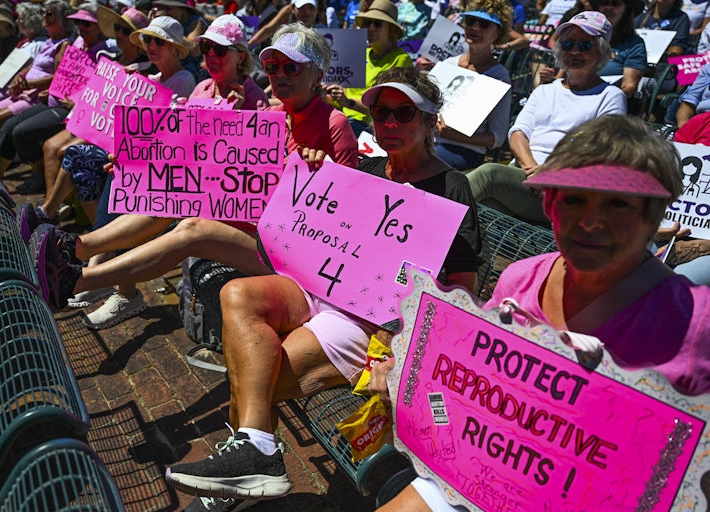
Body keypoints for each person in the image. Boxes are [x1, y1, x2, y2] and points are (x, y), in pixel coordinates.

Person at [162, 66, 481, 508]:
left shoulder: (452, 188)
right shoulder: (365, 170)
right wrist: (312, 173)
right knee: (236, 294)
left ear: (430, 122)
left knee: (256, 376)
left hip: (374, 319)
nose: (388, 124)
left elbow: (463, 288)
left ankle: (245, 467)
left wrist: (407, 345)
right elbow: (307, 227)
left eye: (403, 113)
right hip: (320, 287)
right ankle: (253, 453)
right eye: (380, 112)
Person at [374, 113, 710, 512]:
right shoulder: (518, 280)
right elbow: (473, 394)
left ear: (653, 216)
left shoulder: (695, 322)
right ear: (550, 203)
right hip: (477, 474)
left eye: (619, 203)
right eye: (573, 198)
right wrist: (407, 390)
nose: (589, 221)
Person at [32, 24, 357, 332]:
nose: (279, 74)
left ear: (318, 75)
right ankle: (75, 248)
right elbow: (205, 168)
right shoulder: (270, 117)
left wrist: (323, 172)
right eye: (273, 66)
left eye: (292, 68)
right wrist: (138, 161)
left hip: (288, 252)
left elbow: (344, 217)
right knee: (176, 192)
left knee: (192, 229)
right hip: (249, 226)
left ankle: (77, 280)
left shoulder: (334, 124)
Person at [465, 11, 627, 224]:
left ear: (601, 51)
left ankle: (424, 223)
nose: (575, 51)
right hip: (524, 175)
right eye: (568, 44)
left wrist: (552, 173)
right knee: (483, 214)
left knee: (488, 175)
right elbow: (518, 133)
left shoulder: (611, 96)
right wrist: (533, 170)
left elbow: (603, 151)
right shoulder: (545, 91)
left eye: (585, 45)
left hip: (564, 188)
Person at [28, 6, 154, 225]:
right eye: (117, 28)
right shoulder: (111, 58)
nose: (119, 34)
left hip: (112, 133)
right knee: (50, 147)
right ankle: (55, 206)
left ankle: (56, 211)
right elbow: (94, 92)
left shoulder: (146, 70)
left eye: (125, 30)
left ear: (137, 38)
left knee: (63, 151)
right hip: (94, 121)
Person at [0, 0, 78, 169]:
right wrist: (21, 76)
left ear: (63, 20)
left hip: (37, 96)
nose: (44, 16)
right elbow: (35, 64)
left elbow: (58, 78)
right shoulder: (50, 41)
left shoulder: (65, 44)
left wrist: (26, 83)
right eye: (44, 12)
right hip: (26, 91)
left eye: (50, 14)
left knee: (1, 121)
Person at [434, 0, 513, 172]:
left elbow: (497, 137)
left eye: (484, 24)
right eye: (470, 21)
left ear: (498, 32)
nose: (475, 28)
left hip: (462, 152)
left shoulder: (499, 76)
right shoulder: (448, 63)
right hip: (427, 142)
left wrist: (456, 136)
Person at [324, 0, 413, 136]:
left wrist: (348, 102)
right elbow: (341, 97)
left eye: (377, 24)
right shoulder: (361, 53)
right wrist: (329, 93)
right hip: (343, 119)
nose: (370, 28)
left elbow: (386, 110)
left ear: (391, 29)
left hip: (372, 128)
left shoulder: (401, 60)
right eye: (367, 23)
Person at [597, 0, 648, 99]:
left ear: (626, 10)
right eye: (604, 3)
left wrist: (602, 101)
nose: (608, 7)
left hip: (610, 103)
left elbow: (629, 87)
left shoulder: (634, 44)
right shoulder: (586, 38)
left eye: (615, 3)